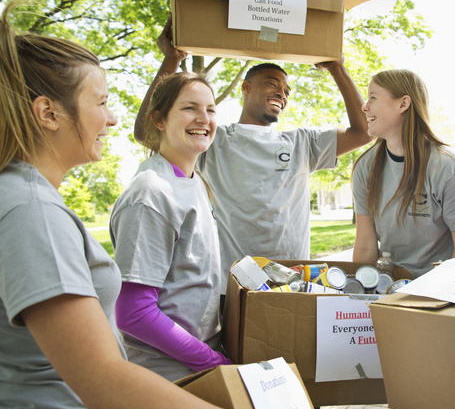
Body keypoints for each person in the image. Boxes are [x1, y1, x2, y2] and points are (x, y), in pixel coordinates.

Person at [0, 2, 263, 409]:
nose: (113, 117)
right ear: (48, 114)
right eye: (101, 102)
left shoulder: (30, 197)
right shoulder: (33, 212)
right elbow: (103, 376)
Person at [134, 16, 373, 290]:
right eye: (272, 83)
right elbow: (147, 131)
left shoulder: (303, 143)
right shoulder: (214, 140)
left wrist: (336, 68)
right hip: (236, 286)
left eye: (286, 91)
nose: (281, 93)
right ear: (246, 88)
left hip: (296, 283)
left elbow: (364, 132)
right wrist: (172, 59)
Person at [352, 69, 455, 409]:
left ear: (403, 103)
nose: (365, 106)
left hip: (442, 297)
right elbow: (365, 245)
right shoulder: (365, 167)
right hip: (394, 296)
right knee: (416, 399)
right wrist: (348, 296)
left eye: (373, 96)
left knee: (434, 399)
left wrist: (441, 299)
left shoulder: (447, 165)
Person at [111, 72, 231, 381]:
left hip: (198, 363)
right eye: (190, 108)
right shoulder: (151, 192)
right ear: (159, 120)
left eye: (211, 109)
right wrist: (213, 362)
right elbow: (133, 312)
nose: (204, 118)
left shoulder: (194, 182)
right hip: (168, 374)